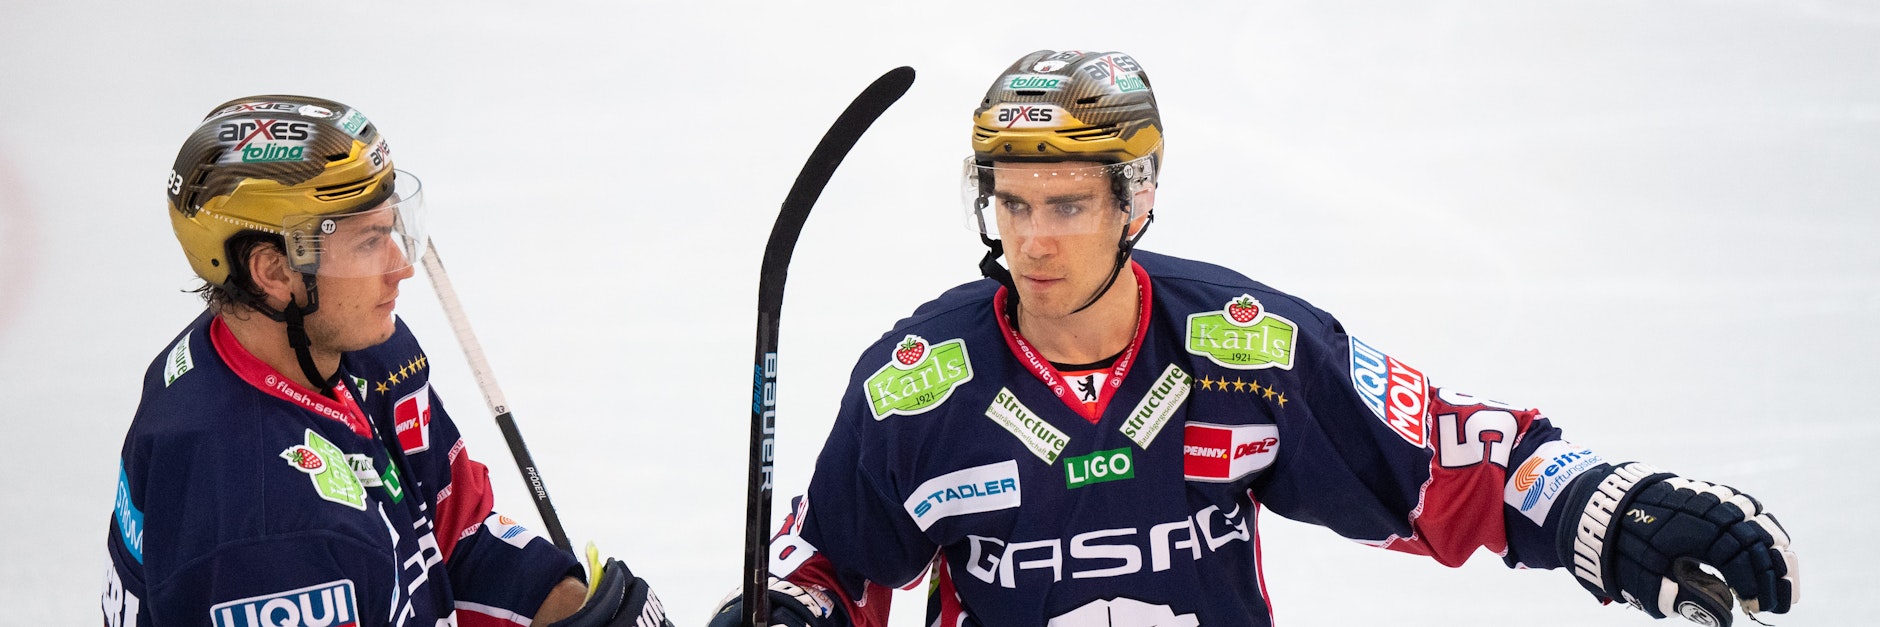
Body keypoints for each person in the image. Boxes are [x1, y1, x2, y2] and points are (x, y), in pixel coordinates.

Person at [712, 51, 1801, 627]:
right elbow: (835, 559)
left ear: (1134, 202)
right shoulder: (921, 383)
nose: (1033, 239)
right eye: (1012, 204)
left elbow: (1440, 462)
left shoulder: (1248, 348)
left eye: (1068, 206)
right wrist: (791, 611)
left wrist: (1604, 515)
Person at [103, 95, 670, 627]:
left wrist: (568, 607)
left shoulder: (359, 352)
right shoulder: (265, 533)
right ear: (275, 272)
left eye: (392, 230)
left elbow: (452, 540)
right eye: (369, 242)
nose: (402, 267)